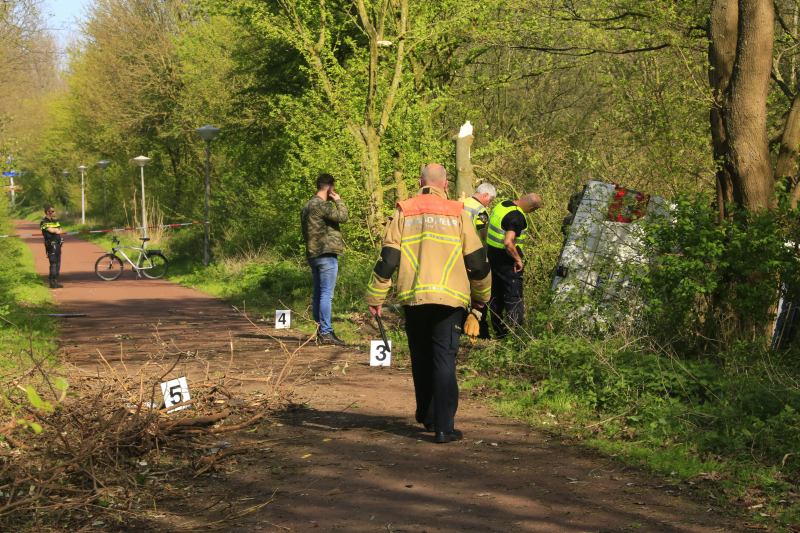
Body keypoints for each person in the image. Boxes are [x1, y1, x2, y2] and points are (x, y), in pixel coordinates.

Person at [366, 164, 491, 443]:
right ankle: (444, 427)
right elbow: (477, 262)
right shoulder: (458, 211)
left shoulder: (404, 209)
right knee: (444, 359)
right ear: (445, 185)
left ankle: (428, 416)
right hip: (450, 300)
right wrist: (481, 300)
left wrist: (375, 297)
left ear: (420, 182)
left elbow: (388, 258)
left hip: (413, 297)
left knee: (421, 358)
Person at [486, 193, 543, 338]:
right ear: (530, 207)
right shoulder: (517, 217)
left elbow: (488, 229)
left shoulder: (502, 205)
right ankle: (516, 336)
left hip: (492, 258)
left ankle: (499, 334)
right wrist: (518, 259)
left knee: (495, 296)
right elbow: (508, 241)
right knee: (514, 297)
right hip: (507, 262)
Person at [301, 174, 349, 345]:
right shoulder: (323, 205)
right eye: (333, 189)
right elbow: (343, 217)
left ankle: (319, 331)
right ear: (330, 188)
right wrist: (339, 201)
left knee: (318, 295)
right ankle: (327, 332)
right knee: (326, 295)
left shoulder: (306, 206)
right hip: (326, 254)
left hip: (312, 254)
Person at [462, 183, 496, 339]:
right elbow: (483, 234)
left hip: (458, 252)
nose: (489, 204)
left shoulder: (461, 203)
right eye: (490, 200)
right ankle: (479, 330)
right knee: (478, 292)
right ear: (485, 195)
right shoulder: (481, 210)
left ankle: (461, 323)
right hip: (474, 254)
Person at [41, 206, 66, 288]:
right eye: (53, 211)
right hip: (51, 245)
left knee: (58, 263)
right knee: (53, 262)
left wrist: (55, 230)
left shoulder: (55, 221)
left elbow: (61, 230)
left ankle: (56, 280)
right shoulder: (43, 222)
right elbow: (51, 230)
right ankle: (52, 281)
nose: (54, 212)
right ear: (48, 212)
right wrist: (55, 230)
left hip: (58, 244)